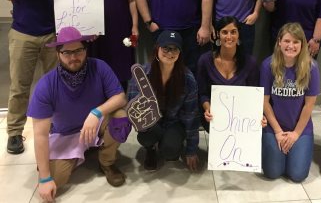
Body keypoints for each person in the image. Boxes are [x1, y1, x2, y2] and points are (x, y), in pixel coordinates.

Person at [27, 26, 129, 202]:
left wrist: (96, 112)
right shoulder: (46, 85)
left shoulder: (100, 67)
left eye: (78, 50)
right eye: (67, 52)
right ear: (57, 54)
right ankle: (81, 153)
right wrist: (45, 178)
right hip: (66, 133)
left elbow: (120, 97)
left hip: (96, 125)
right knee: (54, 180)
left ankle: (107, 163)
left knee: (120, 117)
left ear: (85, 49)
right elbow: (40, 134)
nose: (73, 57)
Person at [0, 0, 62, 155]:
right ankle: (15, 132)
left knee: (56, 84)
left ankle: (57, 123)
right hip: (23, 33)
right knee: (19, 86)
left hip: (53, 35)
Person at [128, 30, 200, 172]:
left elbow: (191, 116)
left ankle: (168, 142)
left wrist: (191, 150)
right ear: (157, 49)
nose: (169, 52)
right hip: (152, 122)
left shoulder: (188, 79)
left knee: (171, 151)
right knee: (145, 137)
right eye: (165, 48)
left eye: (175, 48)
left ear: (180, 53)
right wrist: (139, 114)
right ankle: (151, 149)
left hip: (174, 122)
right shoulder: (142, 74)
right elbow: (132, 105)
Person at [260, 22, 320, 182]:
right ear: (279, 42)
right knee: (272, 173)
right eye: (286, 41)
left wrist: (295, 134)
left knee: (298, 175)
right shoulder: (268, 65)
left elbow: (309, 105)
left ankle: (295, 152)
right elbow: (264, 102)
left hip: (299, 127)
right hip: (274, 126)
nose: (291, 46)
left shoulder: (311, 67)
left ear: (302, 44)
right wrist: (278, 132)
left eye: (295, 42)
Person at [197, 16, 260, 131]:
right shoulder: (205, 61)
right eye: (224, 32)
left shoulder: (250, 63)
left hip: (242, 121)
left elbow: (254, 97)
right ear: (218, 35)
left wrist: (257, 117)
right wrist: (208, 108)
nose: (229, 37)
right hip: (214, 118)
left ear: (238, 35)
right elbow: (202, 93)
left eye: (233, 32)